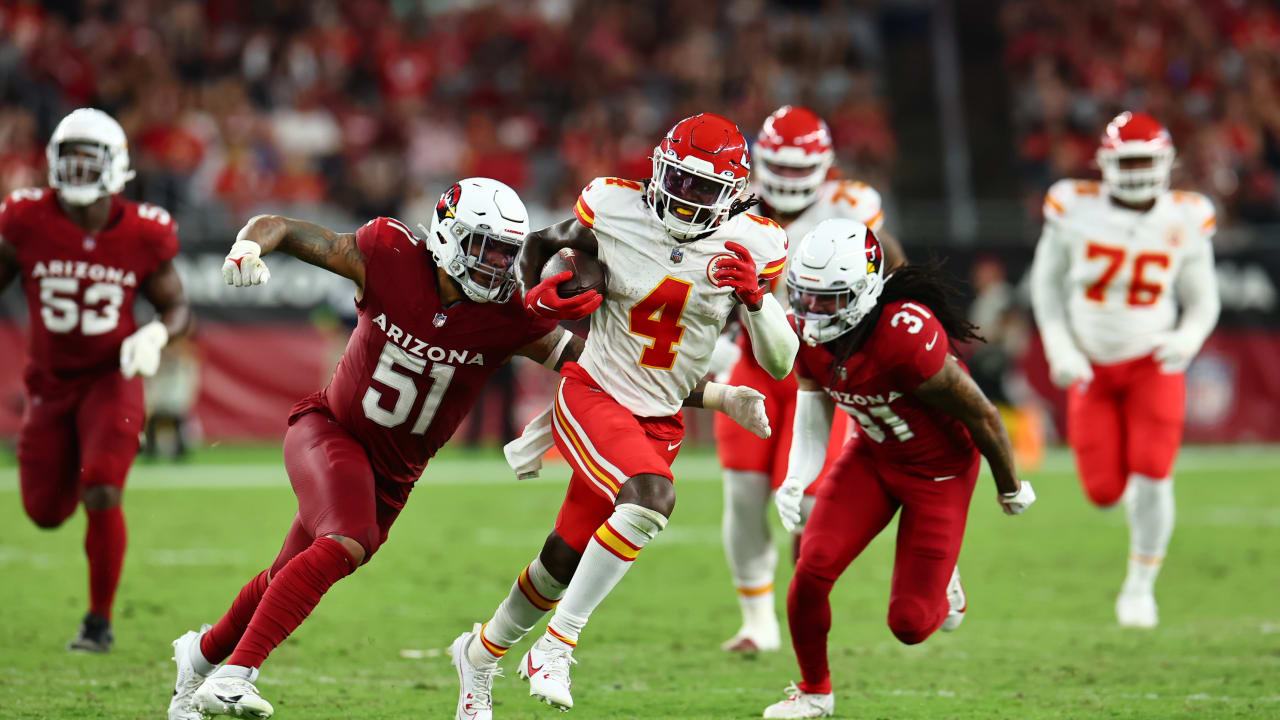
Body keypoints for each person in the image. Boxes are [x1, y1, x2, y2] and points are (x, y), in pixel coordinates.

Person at [166, 178, 579, 720]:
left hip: (393, 477)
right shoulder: (390, 255)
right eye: (485, 247)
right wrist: (248, 245)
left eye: (507, 252)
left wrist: (673, 374)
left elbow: (591, 365)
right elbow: (281, 227)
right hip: (331, 430)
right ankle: (234, 677)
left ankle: (198, 659)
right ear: (450, 234)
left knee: (285, 575)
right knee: (348, 539)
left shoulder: (511, 315)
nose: (497, 265)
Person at [451, 113, 797, 718]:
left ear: (733, 195)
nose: (684, 197)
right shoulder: (614, 207)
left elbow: (781, 361)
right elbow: (540, 243)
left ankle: (478, 656)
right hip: (594, 393)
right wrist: (536, 294)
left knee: (561, 561)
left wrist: (756, 299)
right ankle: (557, 645)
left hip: (660, 419)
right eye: (678, 179)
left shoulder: (757, 243)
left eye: (703, 188)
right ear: (659, 168)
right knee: (651, 497)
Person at [761, 218, 1036, 719]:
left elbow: (981, 413)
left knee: (910, 625)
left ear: (862, 293)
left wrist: (1009, 486)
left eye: (828, 299)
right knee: (811, 570)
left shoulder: (904, 336)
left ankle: (945, 581)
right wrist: (797, 477)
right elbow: (814, 402)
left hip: (939, 473)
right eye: (805, 295)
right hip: (871, 457)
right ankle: (815, 692)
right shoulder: (804, 330)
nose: (812, 310)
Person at [0, 107, 191, 652]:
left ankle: (98, 623)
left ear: (116, 166)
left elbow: (178, 308)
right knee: (44, 512)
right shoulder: (26, 218)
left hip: (113, 377)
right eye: (70, 159)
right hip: (49, 384)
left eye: (89, 160)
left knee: (104, 486)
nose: (78, 171)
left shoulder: (143, 230)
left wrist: (156, 334)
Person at [715, 105, 905, 652]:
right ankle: (757, 621)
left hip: (822, 367)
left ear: (824, 166)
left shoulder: (850, 204)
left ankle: (804, 596)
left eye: (801, 168)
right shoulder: (732, 205)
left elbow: (890, 270)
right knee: (743, 495)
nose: (790, 179)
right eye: (781, 166)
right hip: (755, 362)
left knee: (809, 504)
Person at [1029, 111, 1219, 628]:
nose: (1136, 172)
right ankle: (1134, 507)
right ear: (1105, 163)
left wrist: (1187, 339)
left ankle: (1140, 587)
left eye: (1144, 161)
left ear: (1167, 162)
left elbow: (1203, 300)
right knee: (1103, 493)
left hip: (1152, 362)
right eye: (1127, 161)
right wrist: (1060, 349)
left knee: (1154, 474)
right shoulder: (1074, 207)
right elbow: (1045, 287)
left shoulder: (1186, 215)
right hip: (1091, 368)